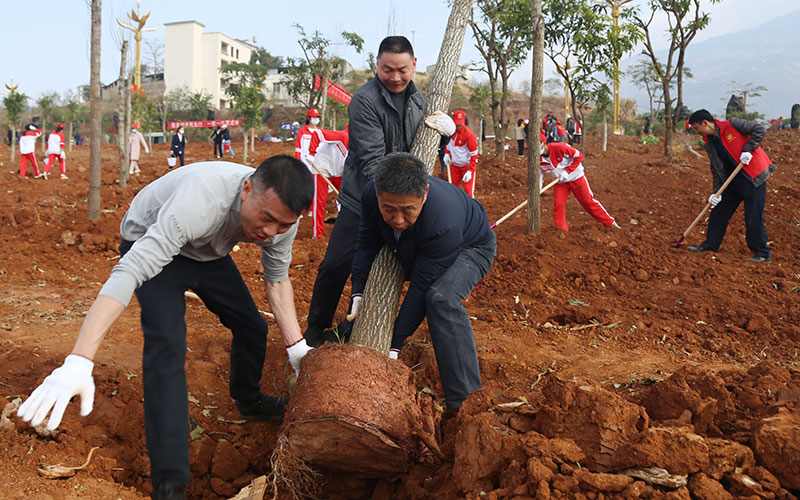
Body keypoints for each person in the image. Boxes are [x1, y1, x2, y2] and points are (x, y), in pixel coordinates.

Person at [17, 155, 315, 500]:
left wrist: (297, 348)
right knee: (168, 349)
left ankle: (248, 402)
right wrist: (79, 360)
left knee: (252, 327)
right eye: (266, 219)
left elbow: (277, 282)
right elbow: (127, 274)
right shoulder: (200, 202)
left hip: (207, 252)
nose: (271, 233)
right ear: (247, 189)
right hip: (150, 238)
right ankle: (170, 484)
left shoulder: (282, 220)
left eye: (282, 225)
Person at [303, 35, 435, 345]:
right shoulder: (364, 101)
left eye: (402, 69)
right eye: (387, 69)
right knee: (336, 264)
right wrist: (400, 197)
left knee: (394, 266)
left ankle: (350, 330)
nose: (395, 77)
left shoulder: (421, 101)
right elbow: (374, 160)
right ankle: (313, 329)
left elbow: (426, 150)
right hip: (362, 198)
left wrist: (446, 135)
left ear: (414, 65)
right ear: (376, 66)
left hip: (404, 201)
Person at [348, 152, 496, 413]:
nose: (398, 220)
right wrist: (358, 292)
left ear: (424, 194)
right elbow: (366, 241)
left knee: (441, 298)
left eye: (408, 210)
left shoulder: (444, 221)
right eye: (389, 210)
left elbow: (421, 285)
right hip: (420, 243)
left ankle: (464, 402)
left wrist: (394, 344)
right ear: (378, 193)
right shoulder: (371, 193)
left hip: (471, 247)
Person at [686, 109, 776, 263]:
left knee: (753, 216)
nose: (696, 132)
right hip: (733, 181)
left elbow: (759, 129)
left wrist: (748, 150)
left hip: (754, 177)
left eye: (696, 128)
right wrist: (716, 193)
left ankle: (762, 253)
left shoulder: (732, 125)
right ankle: (710, 245)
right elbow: (716, 169)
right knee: (718, 212)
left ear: (705, 123)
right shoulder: (709, 142)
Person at [539, 133, 618, 231]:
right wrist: (539, 187)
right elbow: (539, 174)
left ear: (543, 143)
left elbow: (579, 156)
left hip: (576, 177)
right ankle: (560, 231)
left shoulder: (560, 147)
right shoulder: (537, 159)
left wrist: (567, 171)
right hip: (560, 183)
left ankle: (610, 223)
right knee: (558, 205)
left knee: (588, 202)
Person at [306, 125, 348, 238]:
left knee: (348, 199)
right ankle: (317, 234)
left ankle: (345, 229)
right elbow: (317, 134)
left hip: (340, 172)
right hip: (322, 169)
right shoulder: (342, 137)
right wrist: (311, 153)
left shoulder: (363, 146)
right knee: (319, 201)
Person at [443, 110, 479, 198]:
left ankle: (471, 209)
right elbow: (448, 144)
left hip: (466, 167)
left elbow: (474, 155)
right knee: (452, 189)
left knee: (468, 192)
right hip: (455, 166)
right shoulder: (450, 131)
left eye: (460, 124)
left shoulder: (469, 135)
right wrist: (446, 153)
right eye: (456, 124)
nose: (458, 126)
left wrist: (470, 171)